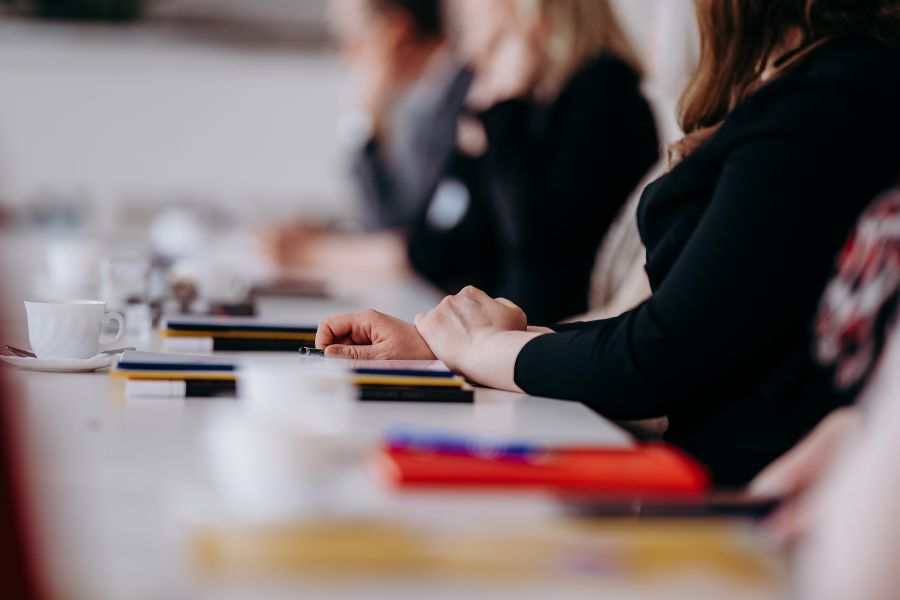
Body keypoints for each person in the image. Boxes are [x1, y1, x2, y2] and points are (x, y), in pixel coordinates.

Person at [316, 0, 900, 485]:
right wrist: (445, 344)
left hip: (722, 501)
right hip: (684, 467)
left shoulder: (822, 103)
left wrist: (483, 349)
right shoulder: (820, 92)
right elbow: (679, 332)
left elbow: (654, 349)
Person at [407, 0, 659, 323]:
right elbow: (432, 251)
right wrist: (470, 151)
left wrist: (506, 106)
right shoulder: (529, 105)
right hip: (506, 347)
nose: (460, 7)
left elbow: (536, 240)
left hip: (553, 348)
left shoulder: (604, 89)